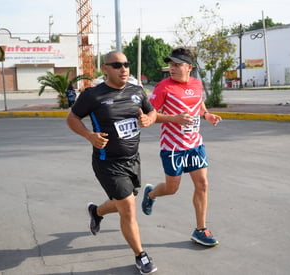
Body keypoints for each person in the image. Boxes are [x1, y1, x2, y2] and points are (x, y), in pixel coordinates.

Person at [66, 51, 158, 274]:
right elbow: (72, 118)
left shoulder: (137, 91)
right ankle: (141, 256)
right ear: (105, 69)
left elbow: (152, 112)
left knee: (122, 202)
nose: (123, 69)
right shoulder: (93, 95)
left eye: (126, 64)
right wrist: (89, 136)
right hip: (107, 162)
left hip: (132, 160)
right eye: (117, 65)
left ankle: (96, 212)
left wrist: (149, 119)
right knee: (127, 206)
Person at [141, 47, 222, 247]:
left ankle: (200, 229)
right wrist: (173, 119)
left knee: (202, 185)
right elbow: (150, 115)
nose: (172, 68)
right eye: (171, 64)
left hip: (195, 144)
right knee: (171, 188)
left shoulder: (196, 84)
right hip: (173, 147)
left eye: (177, 64)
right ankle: (151, 194)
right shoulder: (163, 87)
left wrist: (207, 115)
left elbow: (199, 104)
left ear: (189, 67)